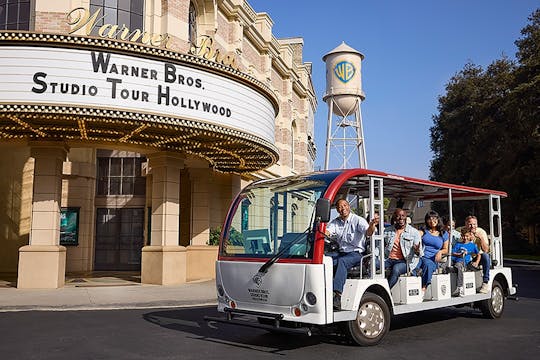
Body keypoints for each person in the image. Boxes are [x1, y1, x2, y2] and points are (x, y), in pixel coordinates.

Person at [326, 199, 377, 310]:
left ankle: (337, 295)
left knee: (342, 262)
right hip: (341, 253)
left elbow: (368, 232)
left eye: (345, 205)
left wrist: (372, 224)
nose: (343, 208)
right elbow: (328, 232)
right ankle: (324, 292)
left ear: (349, 206)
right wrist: (322, 231)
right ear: (337, 209)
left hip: (356, 254)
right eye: (340, 207)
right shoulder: (335, 222)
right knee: (325, 260)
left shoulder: (358, 220)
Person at [382, 208, 422, 289]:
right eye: (398, 216)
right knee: (374, 265)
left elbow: (419, 254)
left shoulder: (414, 232)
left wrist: (417, 250)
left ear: (406, 217)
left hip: (405, 261)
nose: (401, 218)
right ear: (394, 218)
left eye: (403, 216)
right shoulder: (387, 231)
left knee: (396, 269)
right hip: (388, 259)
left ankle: (386, 291)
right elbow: (380, 247)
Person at [416, 211, 449, 294]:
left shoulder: (443, 233)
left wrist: (440, 252)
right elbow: (415, 237)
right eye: (429, 219)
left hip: (433, 259)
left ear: (438, 219)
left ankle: (424, 287)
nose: (432, 221)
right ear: (426, 221)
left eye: (434, 218)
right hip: (421, 257)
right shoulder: (423, 231)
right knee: (413, 267)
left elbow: (446, 249)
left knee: (428, 265)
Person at [464, 215, 490, 293]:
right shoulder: (461, 231)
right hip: (465, 256)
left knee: (486, 256)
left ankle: (485, 282)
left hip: (477, 256)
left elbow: (486, 250)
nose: (472, 226)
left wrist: (481, 238)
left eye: (474, 224)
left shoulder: (481, 232)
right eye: (470, 224)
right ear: (466, 224)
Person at [451, 228, 480, 297]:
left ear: (470, 236)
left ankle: (460, 287)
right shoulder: (458, 244)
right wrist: (459, 254)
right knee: (458, 266)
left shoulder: (472, 245)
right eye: (463, 236)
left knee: (472, 268)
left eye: (467, 236)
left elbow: (478, 255)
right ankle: (459, 286)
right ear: (461, 236)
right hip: (458, 261)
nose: (465, 238)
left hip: (467, 263)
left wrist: (477, 262)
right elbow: (452, 253)